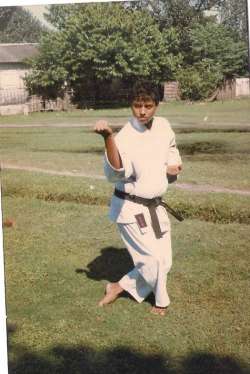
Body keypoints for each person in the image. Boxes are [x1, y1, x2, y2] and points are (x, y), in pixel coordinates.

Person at [94, 81, 182, 316]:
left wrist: (173, 164)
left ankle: (117, 286)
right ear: (130, 106)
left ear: (157, 105)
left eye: (148, 106)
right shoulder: (125, 136)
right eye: (136, 106)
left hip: (155, 207)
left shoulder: (163, 126)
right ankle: (161, 302)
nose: (142, 111)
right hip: (131, 209)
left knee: (165, 262)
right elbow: (117, 171)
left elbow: (171, 148)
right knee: (152, 262)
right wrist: (108, 138)